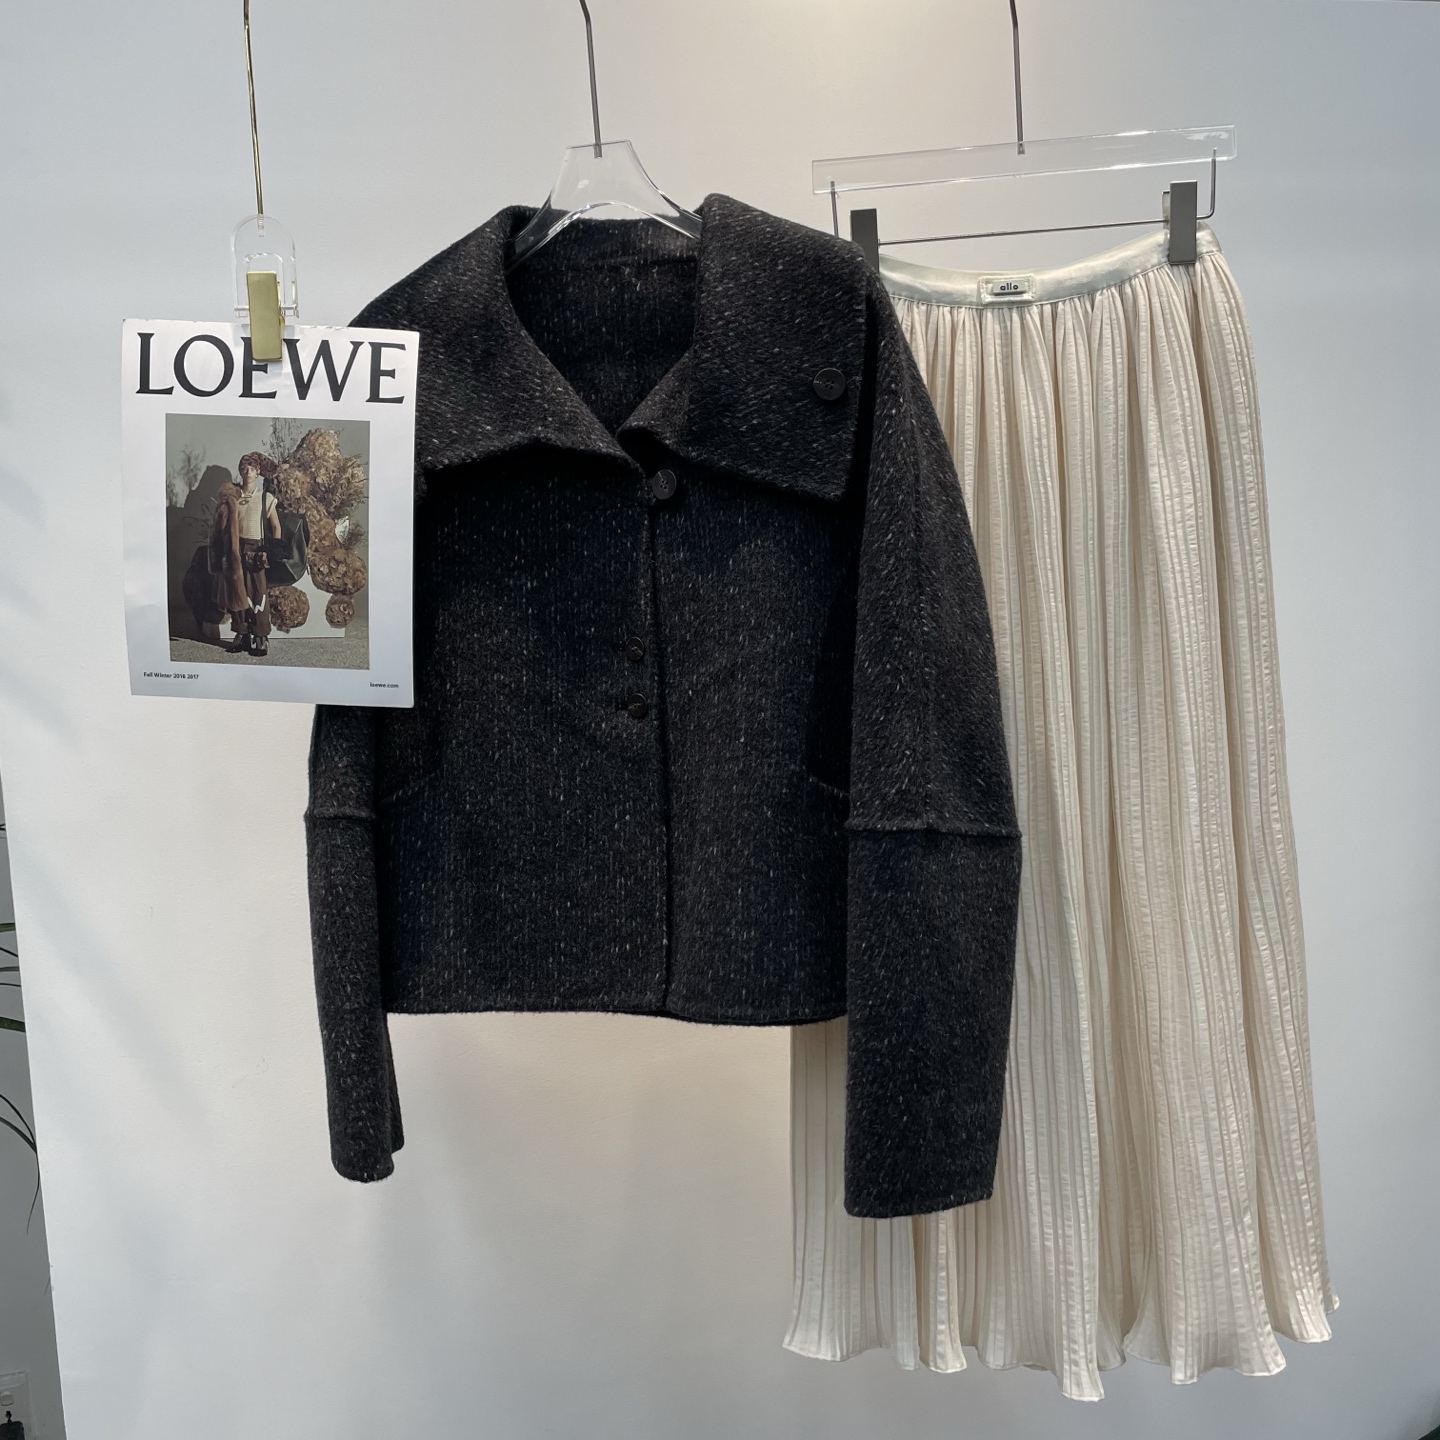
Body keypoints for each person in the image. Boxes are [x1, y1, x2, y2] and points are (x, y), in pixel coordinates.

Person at [209, 451, 281, 656]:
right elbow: (221, 527)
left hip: (256, 549)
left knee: (258, 592)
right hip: (234, 548)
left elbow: (276, 526)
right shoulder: (232, 498)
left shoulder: (265, 498)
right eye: (244, 468)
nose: (248, 472)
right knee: (236, 590)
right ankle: (241, 634)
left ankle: (260, 636)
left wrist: (269, 551)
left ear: (258, 472)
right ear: (240, 471)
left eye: (252, 469)